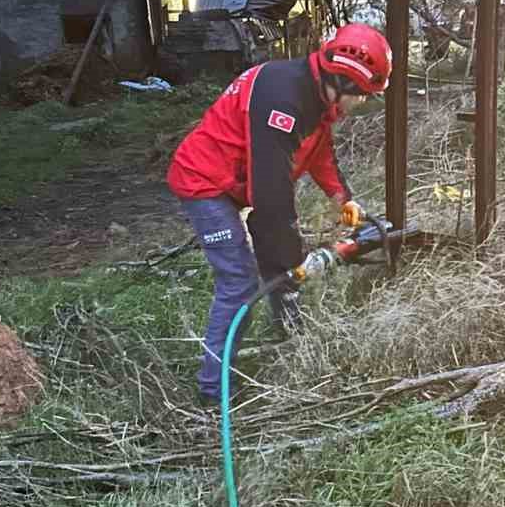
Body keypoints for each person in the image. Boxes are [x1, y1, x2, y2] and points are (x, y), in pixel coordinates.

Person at [167, 23, 392, 405]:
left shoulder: (315, 95)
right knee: (240, 282)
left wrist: (344, 198)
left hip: (233, 183)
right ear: (343, 81)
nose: (361, 105)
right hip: (205, 183)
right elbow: (270, 198)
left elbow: (319, 153)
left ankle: (290, 340)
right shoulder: (282, 99)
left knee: (278, 264)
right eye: (363, 97)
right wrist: (295, 261)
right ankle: (213, 392)